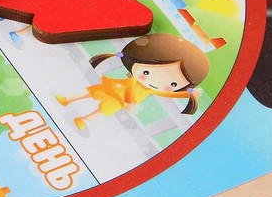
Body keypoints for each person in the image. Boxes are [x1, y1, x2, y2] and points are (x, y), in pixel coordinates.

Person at [56, 33, 209, 130]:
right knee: (89, 92)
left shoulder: (151, 89)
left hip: (118, 100)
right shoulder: (134, 80)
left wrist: (187, 94)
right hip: (115, 89)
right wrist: (132, 102)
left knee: (102, 110)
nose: (156, 81)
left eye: (173, 84)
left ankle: (83, 120)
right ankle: (67, 99)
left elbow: (168, 94)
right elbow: (130, 87)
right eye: (146, 72)